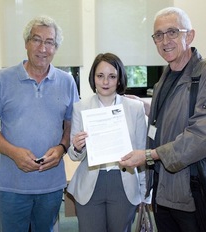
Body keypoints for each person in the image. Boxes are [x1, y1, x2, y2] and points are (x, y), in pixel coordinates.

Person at [120, 7, 206, 232]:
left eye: (172, 32)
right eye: (158, 35)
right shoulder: (165, 77)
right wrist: (143, 104)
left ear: (189, 35)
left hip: (192, 190)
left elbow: (202, 137)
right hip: (163, 189)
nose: (164, 41)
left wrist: (149, 155)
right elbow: (171, 115)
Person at [0, 16, 79, 232]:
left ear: (56, 47)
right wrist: (14, 153)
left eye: (50, 42)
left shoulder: (67, 82)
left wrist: (62, 148)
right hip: (12, 185)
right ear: (26, 43)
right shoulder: (2, 79)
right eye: (36, 40)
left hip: (51, 184)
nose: (43, 48)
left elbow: (71, 125)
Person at [67, 53, 149, 232]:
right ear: (93, 78)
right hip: (90, 181)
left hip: (123, 181)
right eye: (100, 76)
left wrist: (144, 191)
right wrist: (76, 145)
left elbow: (142, 153)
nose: (105, 82)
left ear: (119, 79)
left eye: (112, 76)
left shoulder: (135, 108)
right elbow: (74, 155)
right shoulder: (80, 107)